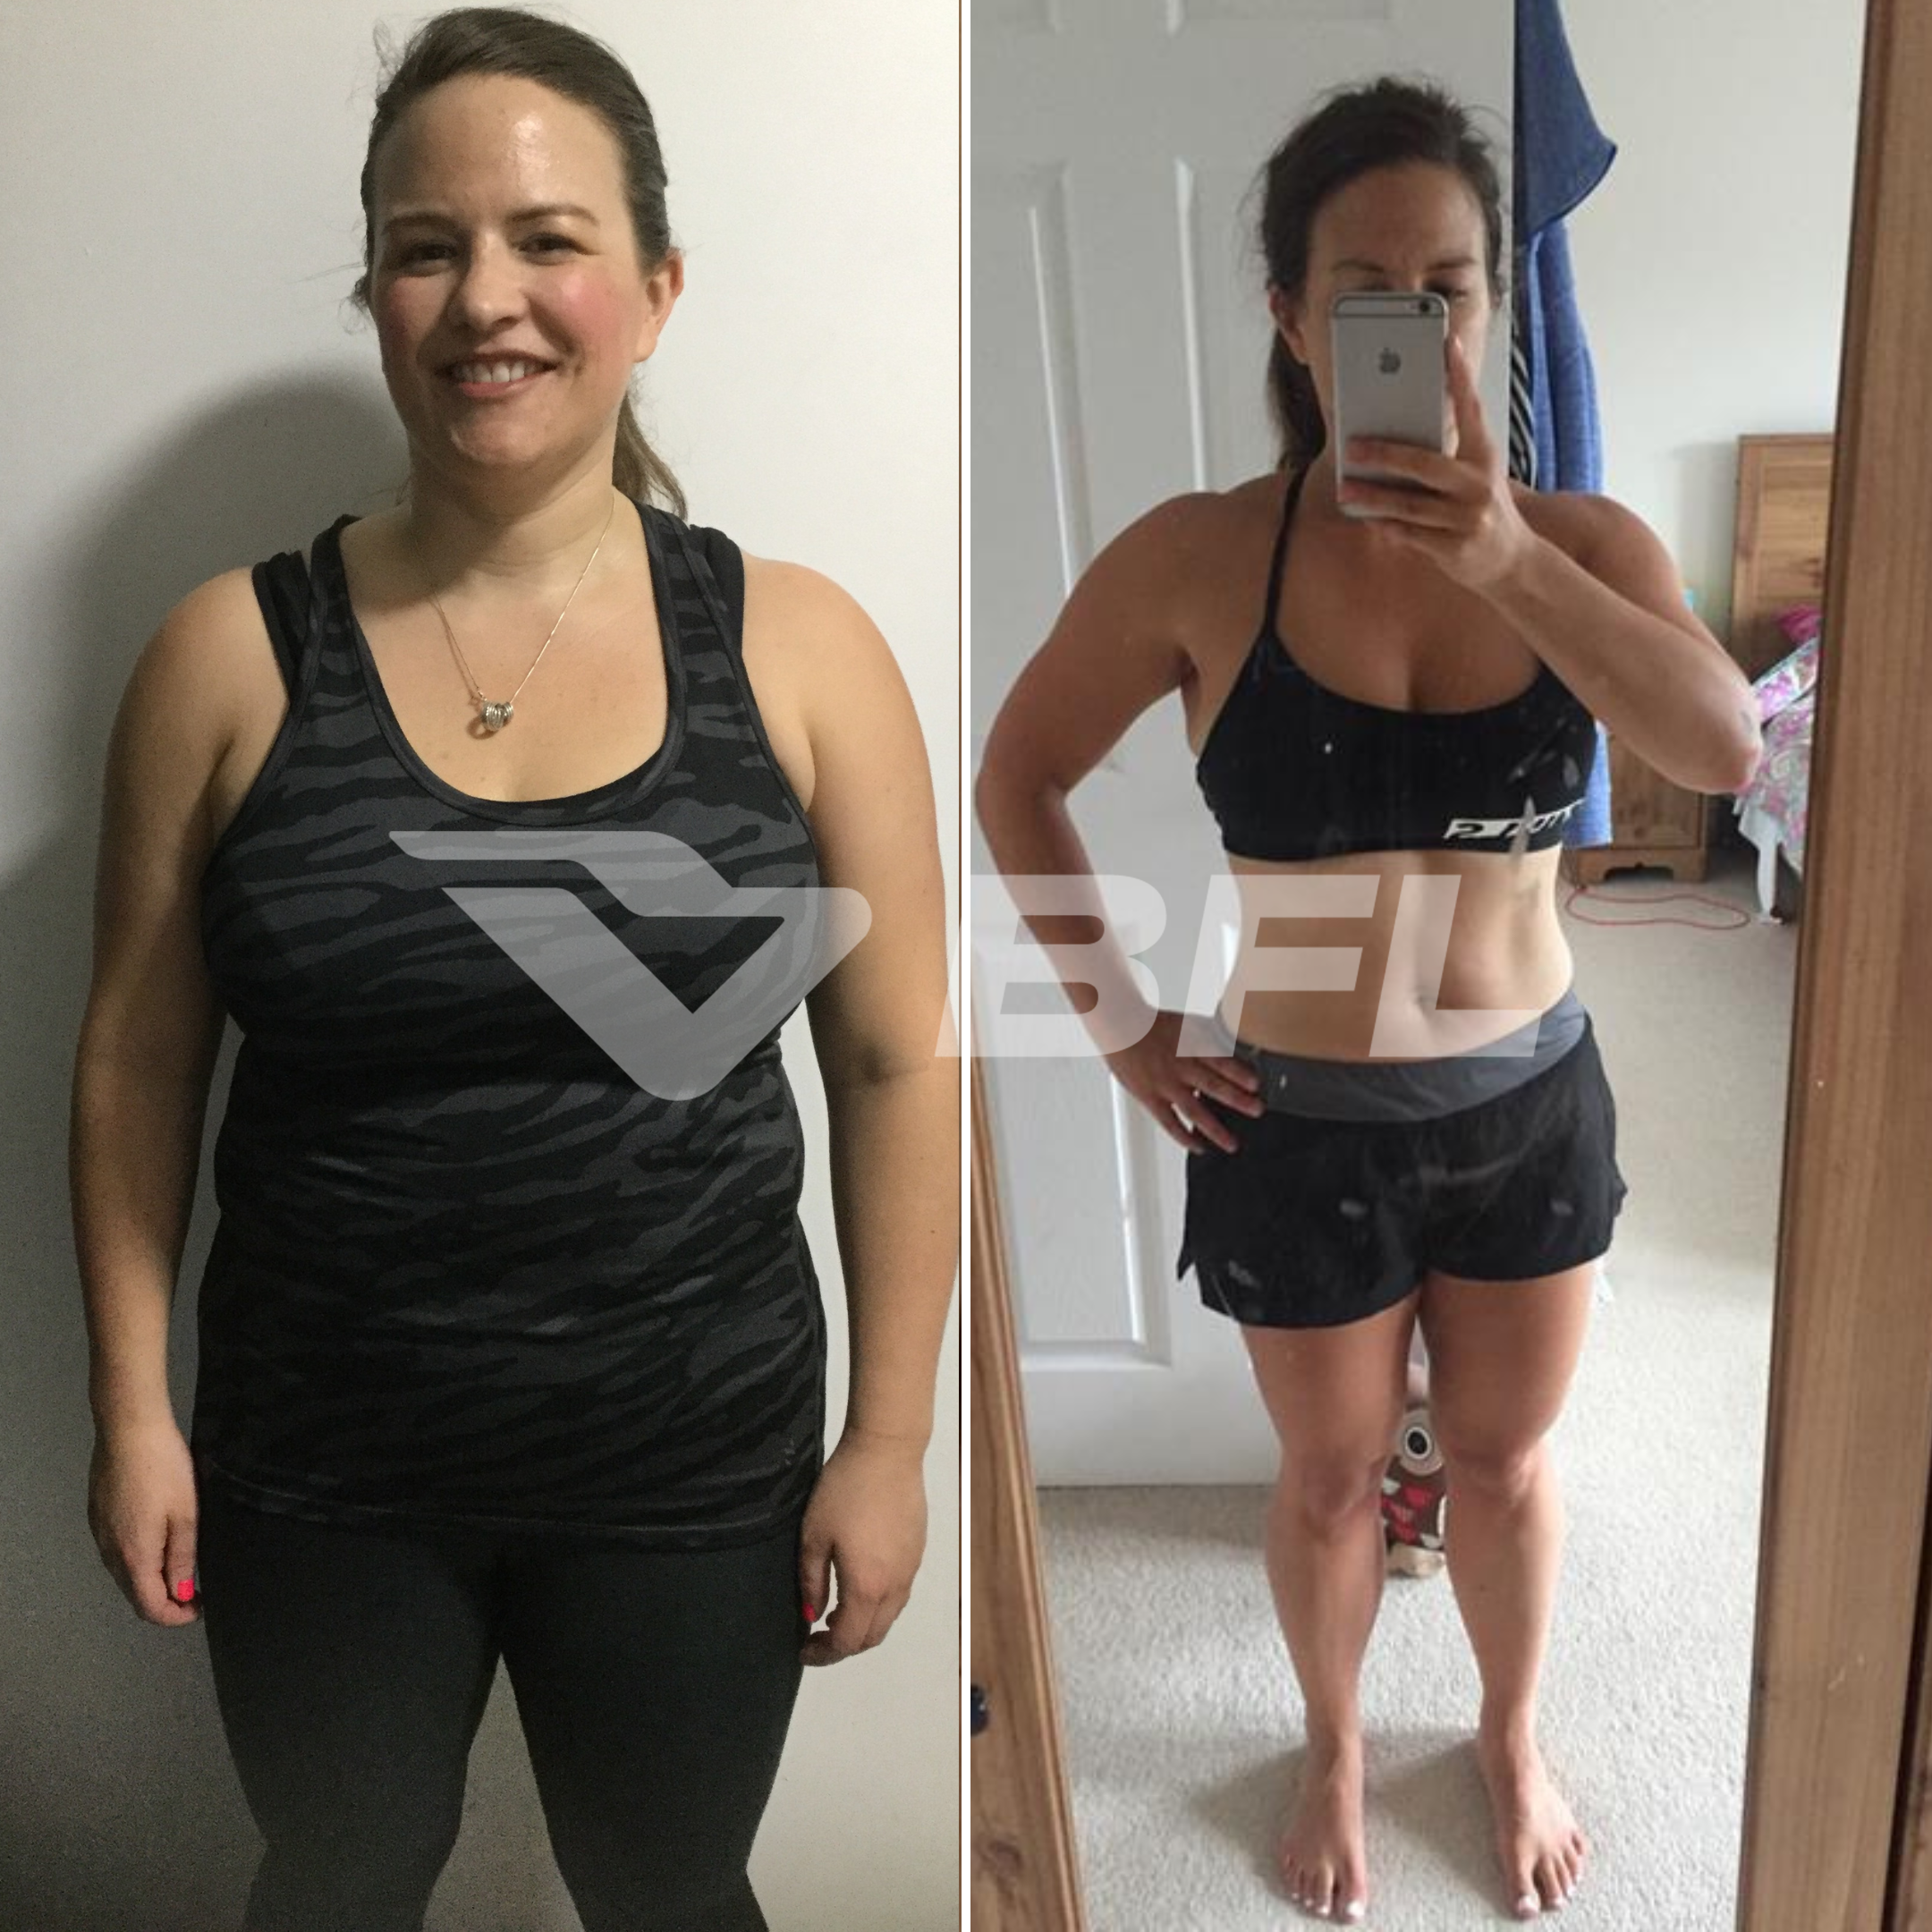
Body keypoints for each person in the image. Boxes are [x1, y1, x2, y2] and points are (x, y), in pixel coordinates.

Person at [69, 10, 957, 1928]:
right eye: (423, 243)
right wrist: (134, 1407)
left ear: (654, 285)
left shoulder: (801, 653)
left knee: (667, 1887)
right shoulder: (225, 660)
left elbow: (896, 1066)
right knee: (335, 1878)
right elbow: (137, 1066)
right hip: (319, 1465)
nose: (489, 299)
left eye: (549, 239)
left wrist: (890, 1443)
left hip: (696, 1454)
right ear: (377, 291)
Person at [974, 76, 1758, 1926]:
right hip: (1298, 1122)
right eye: (1369, 293)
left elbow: (1722, 748)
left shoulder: (1584, 544)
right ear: (1294, 321)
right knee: (1332, 1484)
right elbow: (1017, 771)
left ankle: (1507, 1730)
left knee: (1500, 1460)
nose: (1421, 322)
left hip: (1528, 1106)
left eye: (1455, 286)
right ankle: (1330, 1746)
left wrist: (1497, 554)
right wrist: (1125, 1027)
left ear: (1493, 306)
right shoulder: (1196, 553)